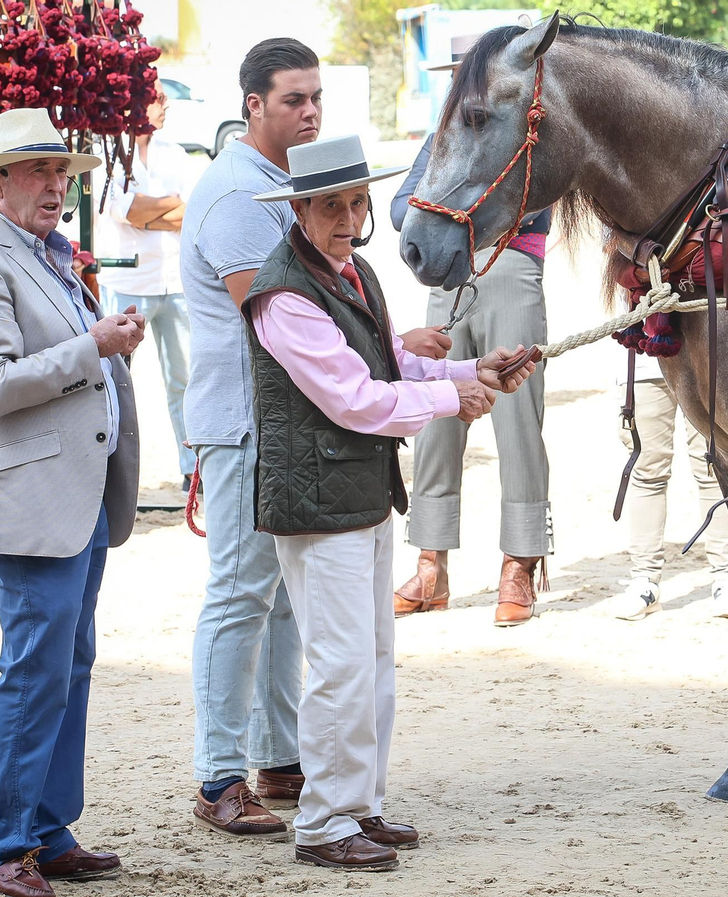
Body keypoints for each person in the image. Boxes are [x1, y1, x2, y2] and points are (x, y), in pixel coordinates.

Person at [245, 134, 535, 868]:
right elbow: (353, 398)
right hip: (321, 501)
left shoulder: (348, 272)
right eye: (332, 207)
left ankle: (356, 806)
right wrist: (452, 395)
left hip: (356, 492)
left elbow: (392, 363)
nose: (349, 219)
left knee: (369, 659)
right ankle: (324, 823)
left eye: (357, 204)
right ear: (300, 210)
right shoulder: (284, 294)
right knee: (342, 663)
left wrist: (473, 370)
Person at [0, 107, 144, 896]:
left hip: (77, 493)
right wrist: (94, 345)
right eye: (39, 171)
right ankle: (3, 847)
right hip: (35, 499)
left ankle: (49, 830)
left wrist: (105, 344)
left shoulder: (48, 255)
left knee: (68, 665)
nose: (57, 186)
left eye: (61, 172)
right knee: (35, 672)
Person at [180, 37, 320, 840]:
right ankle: (218, 776)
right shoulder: (238, 191)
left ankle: (278, 756)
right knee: (239, 594)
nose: (310, 112)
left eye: (316, 97)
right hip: (243, 423)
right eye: (294, 99)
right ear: (253, 105)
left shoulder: (278, 181)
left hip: (276, 418)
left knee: (279, 598)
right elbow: (274, 316)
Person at [390, 33, 553, 627]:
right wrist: (447, 209)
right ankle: (429, 563)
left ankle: (519, 564)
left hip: (511, 269)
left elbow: (529, 201)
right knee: (435, 418)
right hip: (449, 275)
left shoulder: (527, 127)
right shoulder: (444, 134)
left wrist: (449, 208)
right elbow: (401, 208)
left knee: (519, 419)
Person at [102, 90, 196, 489]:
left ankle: (193, 469)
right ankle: (110, 471)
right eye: (158, 97)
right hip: (127, 283)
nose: (166, 104)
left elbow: (189, 211)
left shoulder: (175, 154)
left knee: (185, 378)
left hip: (174, 280)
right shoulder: (108, 152)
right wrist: (161, 207)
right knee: (115, 380)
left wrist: (144, 211)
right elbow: (121, 210)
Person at [608, 347, 728, 621]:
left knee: (712, 466)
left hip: (703, 358)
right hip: (643, 361)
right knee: (646, 469)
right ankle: (644, 578)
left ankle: (726, 576)